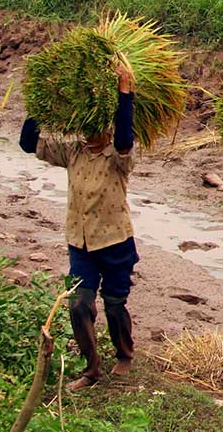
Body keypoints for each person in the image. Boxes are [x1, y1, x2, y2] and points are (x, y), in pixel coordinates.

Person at [19, 60, 138, 390]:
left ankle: (125, 355)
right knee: (79, 304)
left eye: (95, 125)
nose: (88, 132)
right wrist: (38, 102)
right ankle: (91, 368)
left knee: (115, 305)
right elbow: (28, 143)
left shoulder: (118, 157)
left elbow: (126, 136)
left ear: (106, 127)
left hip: (115, 242)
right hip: (81, 243)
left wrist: (124, 93)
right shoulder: (72, 152)